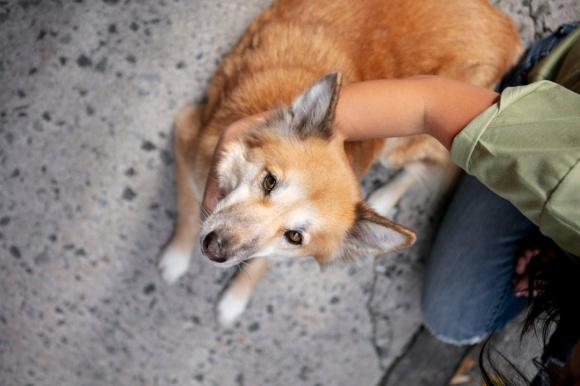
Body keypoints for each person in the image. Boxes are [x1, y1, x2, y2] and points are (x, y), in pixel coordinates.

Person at [201, 29, 580, 385]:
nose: (230, 243)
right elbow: (426, 102)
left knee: (455, 325)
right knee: (456, 319)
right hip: (547, 124)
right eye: (269, 183)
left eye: (295, 235)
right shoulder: (569, 180)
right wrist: (256, 127)